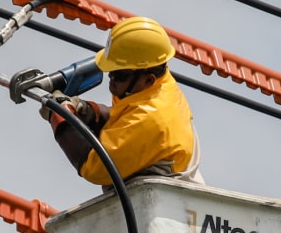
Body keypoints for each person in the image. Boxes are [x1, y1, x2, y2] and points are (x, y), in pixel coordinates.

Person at [41, 16, 204, 189]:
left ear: (148, 79)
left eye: (120, 75)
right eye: (111, 70)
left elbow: (95, 167)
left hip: (166, 205)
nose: (111, 78)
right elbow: (126, 117)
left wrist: (58, 116)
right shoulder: (157, 82)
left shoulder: (152, 117)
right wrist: (89, 111)